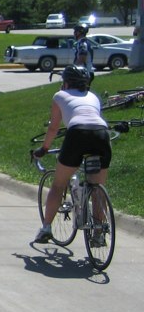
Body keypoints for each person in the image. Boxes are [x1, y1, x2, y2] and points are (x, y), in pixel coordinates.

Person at [32, 64, 111, 244]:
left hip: (77, 133)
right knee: (98, 187)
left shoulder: (60, 95)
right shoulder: (93, 96)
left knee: (58, 184)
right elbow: (92, 119)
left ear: (66, 83)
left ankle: (46, 228)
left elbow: (53, 127)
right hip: (101, 133)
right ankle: (99, 233)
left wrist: (44, 149)